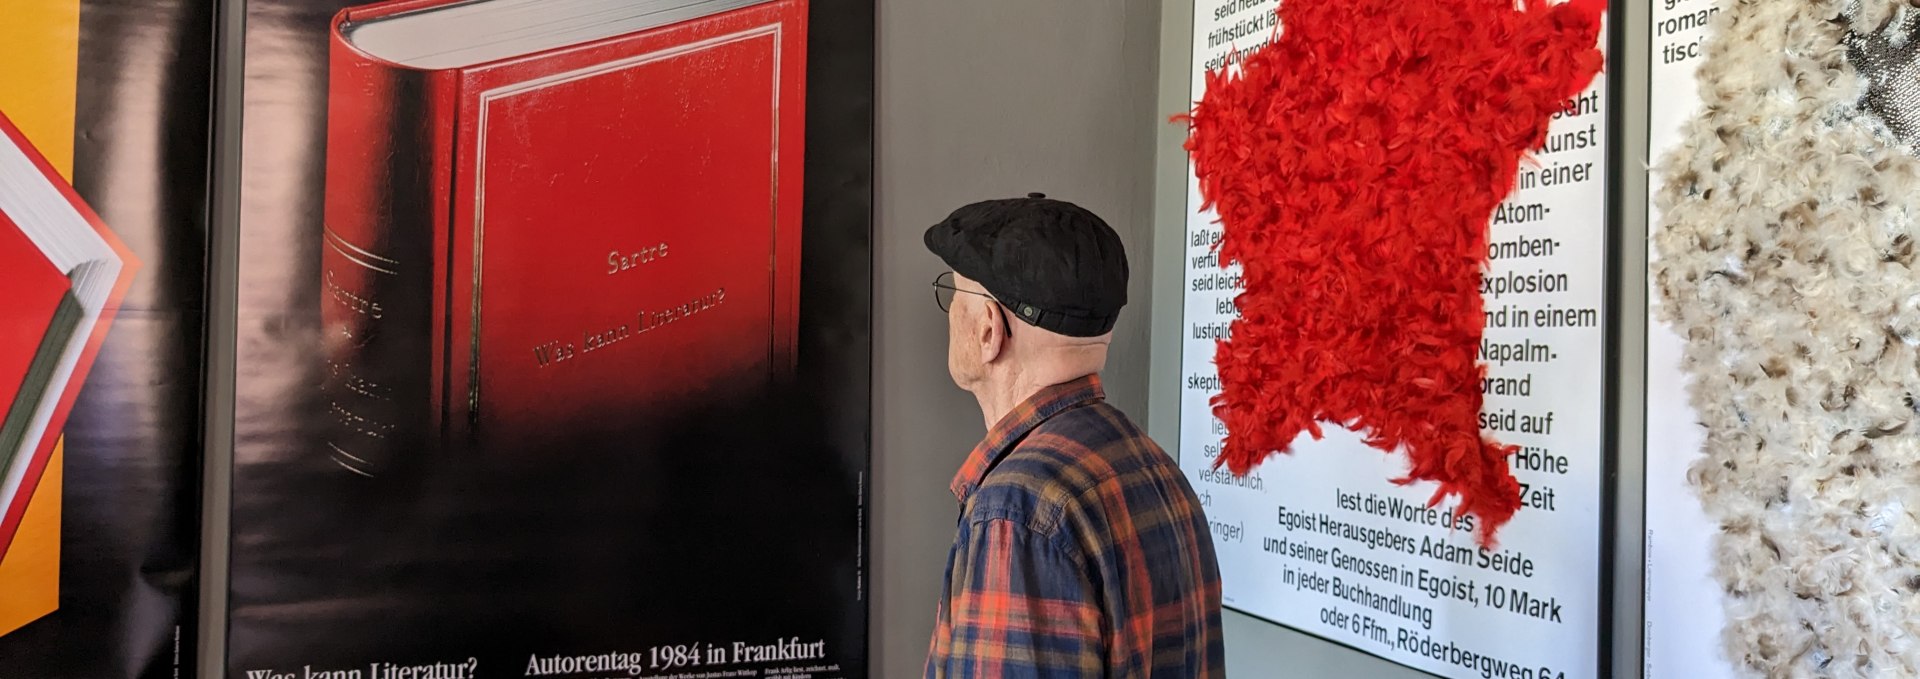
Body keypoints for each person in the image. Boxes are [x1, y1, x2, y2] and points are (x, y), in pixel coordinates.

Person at [921, 193, 1225, 678]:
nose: (950, 311)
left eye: (955, 294)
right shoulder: (1156, 469)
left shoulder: (1018, 515)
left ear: (989, 330)